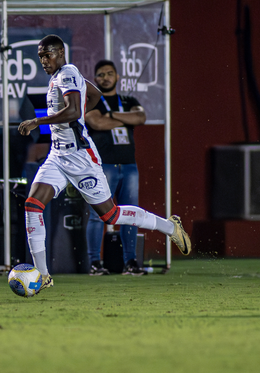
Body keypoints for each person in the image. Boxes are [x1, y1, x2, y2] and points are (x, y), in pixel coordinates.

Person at [18, 35, 191, 289]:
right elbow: (95, 95)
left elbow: (75, 111)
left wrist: (37, 121)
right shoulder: (62, 76)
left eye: (48, 54)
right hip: (57, 156)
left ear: (61, 53)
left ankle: (169, 227)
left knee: (110, 215)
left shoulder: (67, 73)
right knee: (33, 205)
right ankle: (43, 276)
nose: (43, 60)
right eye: (40, 56)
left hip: (80, 157)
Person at [85, 60, 146, 276]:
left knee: (130, 214)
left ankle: (130, 261)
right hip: (103, 166)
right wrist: (124, 119)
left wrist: (110, 116)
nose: (106, 77)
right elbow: (96, 124)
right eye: (101, 74)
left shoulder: (129, 100)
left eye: (110, 73)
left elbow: (140, 117)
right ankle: (94, 262)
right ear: (95, 79)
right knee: (97, 215)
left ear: (117, 77)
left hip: (129, 166)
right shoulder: (92, 101)